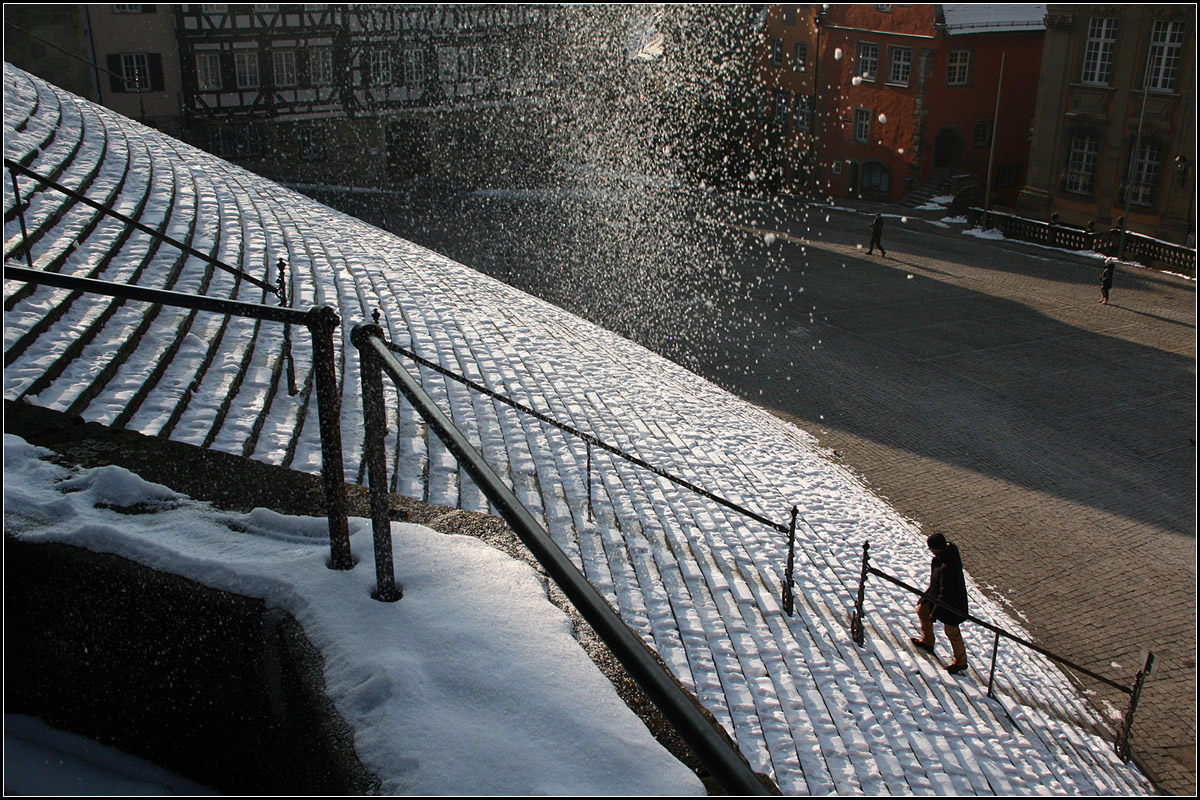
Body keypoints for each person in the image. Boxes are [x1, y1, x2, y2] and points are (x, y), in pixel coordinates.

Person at [910, 532, 969, 674]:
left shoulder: (947, 567)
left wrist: (934, 614)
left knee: (952, 631)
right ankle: (928, 641)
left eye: (931, 548)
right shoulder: (945, 556)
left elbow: (946, 594)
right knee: (922, 609)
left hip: (952, 605)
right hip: (937, 595)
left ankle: (961, 662)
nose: (930, 551)